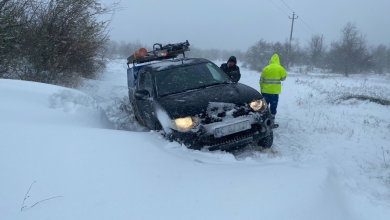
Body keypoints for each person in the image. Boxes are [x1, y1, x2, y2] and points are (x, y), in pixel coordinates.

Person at [260, 54, 286, 128]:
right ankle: (272, 122)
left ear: (271, 60)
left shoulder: (266, 68)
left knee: (264, 108)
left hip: (265, 91)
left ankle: (262, 122)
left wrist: (261, 90)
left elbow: (261, 81)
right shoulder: (280, 68)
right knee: (273, 107)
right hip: (274, 92)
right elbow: (283, 78)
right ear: (278, 60)